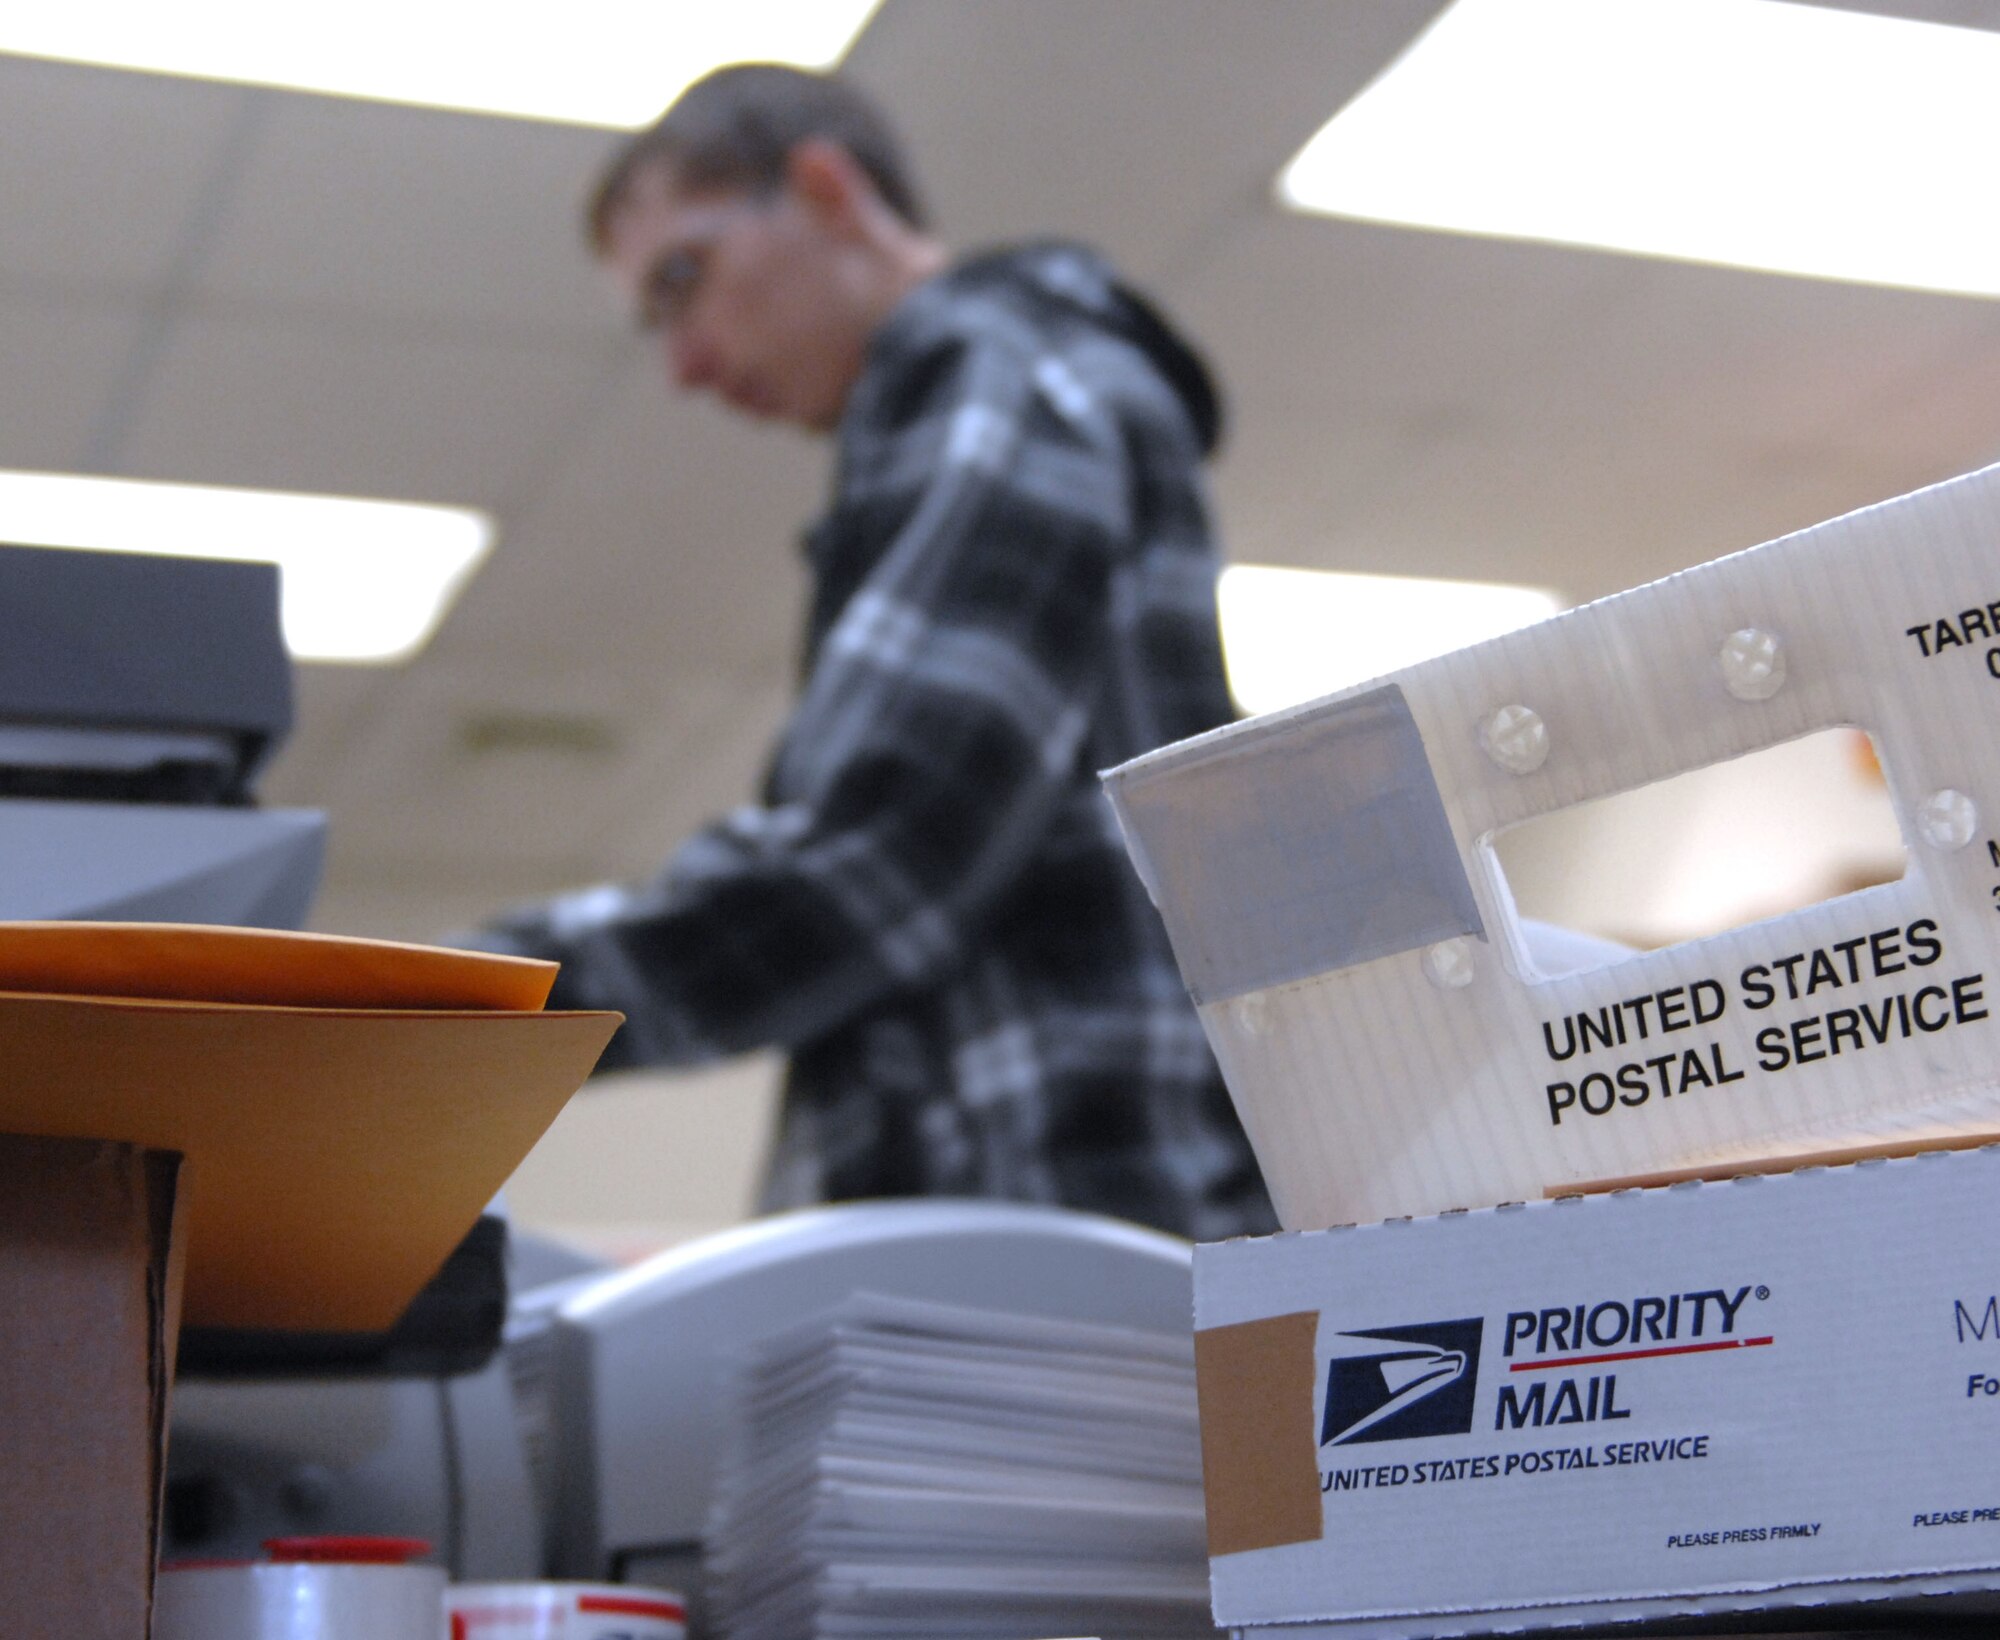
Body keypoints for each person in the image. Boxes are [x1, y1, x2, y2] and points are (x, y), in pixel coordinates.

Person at [476, 62, 1274, 1242]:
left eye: (682, 283)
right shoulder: (1019, 386)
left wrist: (454, 1003)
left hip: (1055, 1218)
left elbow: (880, 854)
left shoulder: (994, 375)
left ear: (825, 188)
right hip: (1089, 1213)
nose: (683, 366)